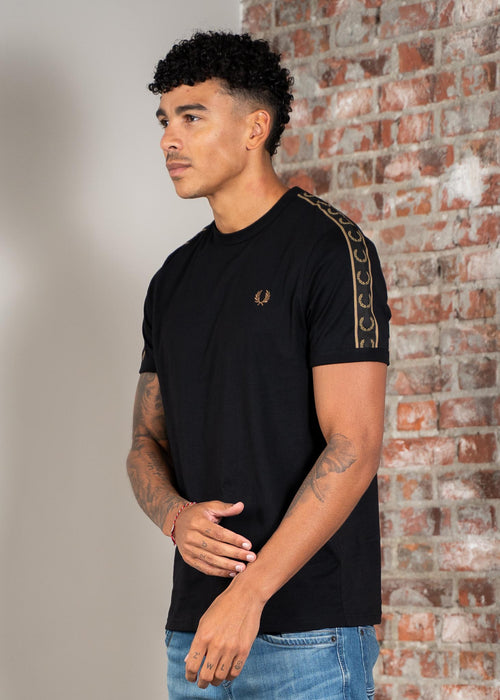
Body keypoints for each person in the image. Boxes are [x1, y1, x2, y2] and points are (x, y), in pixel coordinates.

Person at [126, 31, 391, 699]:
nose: (169, 139)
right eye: (164, 120)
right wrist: (176, 517)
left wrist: (249, 595)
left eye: (191, 117)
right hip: (195, 635)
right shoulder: (172, 281)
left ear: (255, 128)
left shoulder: (331, 250)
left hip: (309, 636)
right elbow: (144, 444)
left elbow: (355, 446)